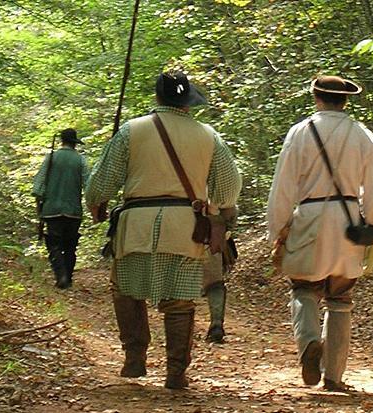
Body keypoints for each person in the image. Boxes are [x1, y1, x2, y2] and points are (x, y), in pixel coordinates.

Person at [86, 71, 241, 389]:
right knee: (180, 299)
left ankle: (134, 358)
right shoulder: (208, 135)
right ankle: (175, 371)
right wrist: (217, 208)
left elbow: (102, 182)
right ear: (188, 102)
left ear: (158, 98)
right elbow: (228, 188)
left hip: (136, 225)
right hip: (185, 227)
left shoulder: (132, 131)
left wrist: (97, 202)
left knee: (126, 290)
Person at [267, 75, 373, 391]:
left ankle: (309, 342)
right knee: (340, 297)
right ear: (345, 101)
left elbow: (283, 185)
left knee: (303, 288)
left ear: (316, 98)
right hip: (348, 221)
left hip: (308, 216)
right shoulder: (362, 134)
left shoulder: (300, 132)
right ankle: (334, 375)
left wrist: (278, 227)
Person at [32, 128, 90, 289]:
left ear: (62, 141)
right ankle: (68, 278)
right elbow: (89, 186)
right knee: (70, 246)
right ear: (75, 144)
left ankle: (61, 276)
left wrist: (40, 209)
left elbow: (38, 187)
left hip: (52, 210)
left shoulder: (51, 158)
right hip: (73, 211)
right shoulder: (80, 161)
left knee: (54, 245)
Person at [203, 207, 237, 343]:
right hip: (209, 232)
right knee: (214, 283)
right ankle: (216, 324)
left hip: (174, 227)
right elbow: (228, 201)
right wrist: (228, 225)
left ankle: (180, 334)